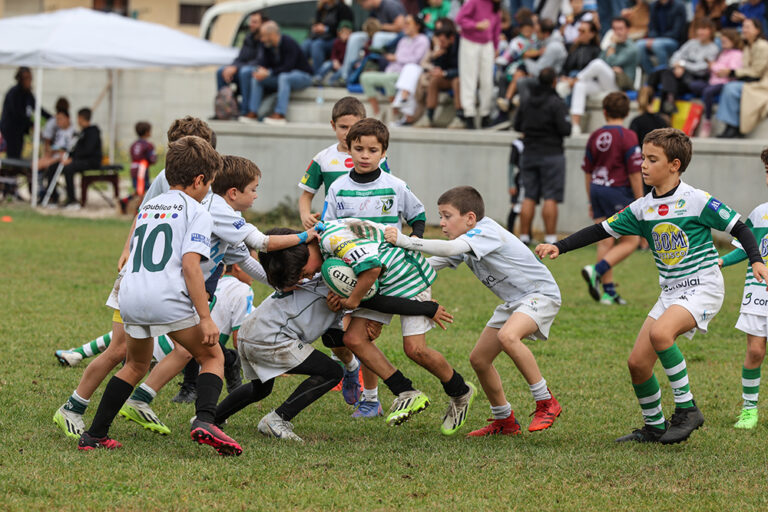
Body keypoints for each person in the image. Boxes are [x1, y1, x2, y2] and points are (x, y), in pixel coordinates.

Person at [535, 127, 768, 444]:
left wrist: (756, 259)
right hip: (671, 291)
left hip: (703, 286)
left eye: (652, 159)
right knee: (637, 363)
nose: (643, 165)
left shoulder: (697, 200)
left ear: (674, 165)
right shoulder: (642, 208)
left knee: (661, 333)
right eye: (643, 158)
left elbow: (740, 228)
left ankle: (687, 410)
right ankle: (654, 425)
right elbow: (601, 230)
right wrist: (559, 246)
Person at [75, 135, 246, 454]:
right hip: (165, 298)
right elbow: (191, 266)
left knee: (135, 364)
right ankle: (205, 420)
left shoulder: (149, 205)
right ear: (200, 180)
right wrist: (206, 318)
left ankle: (95, 435)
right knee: (212, 356)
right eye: (210, 183)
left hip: (130, 295)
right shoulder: (198, 211)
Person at [215, 231, 452, 440]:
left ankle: (210, 419)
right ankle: (277, 420)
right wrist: (426, 308)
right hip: (270, 336)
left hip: (251, 331)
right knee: (330, 372)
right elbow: (379, 302)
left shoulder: (325, 277)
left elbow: (331, 337)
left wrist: (360, 336)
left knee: (261, 389)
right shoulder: (337, 280)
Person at [260, 217, 476, 434]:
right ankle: (406, 392)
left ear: (302, 253)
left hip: (407, 276)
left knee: (415, 349)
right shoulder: (324, 251)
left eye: (302, 273)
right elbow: (369, 287)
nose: (308, 277)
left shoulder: (330, 240)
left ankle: (460, 392)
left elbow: (372, 268)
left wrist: (353, 300)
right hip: (380, 283)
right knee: (353, 339)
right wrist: (343, 301)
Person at [384, 186, 563, 436]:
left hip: (540, 295)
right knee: (479, 359)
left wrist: (405, 240)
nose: (442, 223)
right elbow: (428, 266)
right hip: (514, 302)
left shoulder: (485, 231)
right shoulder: (465, 243)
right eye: (441, 216)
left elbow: (448, 250)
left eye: (447, 216)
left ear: (470, 218)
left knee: (508, 336)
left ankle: (546, 401)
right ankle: (504, 420)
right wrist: (385, 272)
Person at [322, 118, 427, 417]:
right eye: (359, 149)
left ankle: (370, 399)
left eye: (372, 150)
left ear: (384, 153)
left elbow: (418, 216)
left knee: (362, 335)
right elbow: (328, 230)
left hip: (385, 273)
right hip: (349, 270)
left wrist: (411, 242)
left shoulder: (395, 186)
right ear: (349, 150)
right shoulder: (338, 188)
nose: (365, 155)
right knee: (341, 335)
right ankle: (353, 374)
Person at [717, 148, 768, 429]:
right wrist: (722, 262)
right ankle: (749, 410)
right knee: (755, 351)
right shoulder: (760, 213)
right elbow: (746, 248)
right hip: (758, 292)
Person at [580, 92, 643, 305]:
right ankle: (596, 271)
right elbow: (635, 172)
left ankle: (608, 292)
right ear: (626, 113)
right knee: (631, 240)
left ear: (604, 112)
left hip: (596, 189)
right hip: (617, 191)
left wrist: (590, 199)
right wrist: (641, 202)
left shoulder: (595, 135)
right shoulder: (628, 136)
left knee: (605, 240)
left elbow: (587, 170)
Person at [298, 96, 390, 231]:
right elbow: (306, 195)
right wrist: (305, 215)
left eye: (354, 127)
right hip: (335, 228)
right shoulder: (322, 158)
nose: (348, 133)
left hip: (371, 227)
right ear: (333, 125)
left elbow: (389, 189)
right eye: (343, 127)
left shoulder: (377, 158)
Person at [513, 67, 571, 247]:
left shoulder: (527, 101)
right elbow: (566, 129)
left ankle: (524, 237)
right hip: (552, 154)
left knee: (529, 196)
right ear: (554, 81)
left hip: (529, 152)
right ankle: (550, 238)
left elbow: (517, 125)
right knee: (550, 197)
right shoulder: (556, 102)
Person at [568, 17, 639, 136]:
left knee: (598, 64)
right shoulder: (611, 45)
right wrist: (610, 59)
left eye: (620, 29)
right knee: (580, 85)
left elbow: (609, 62)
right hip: (606, 83)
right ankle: (575, 125)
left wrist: (611, 48)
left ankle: (572, 81)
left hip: (621, 87)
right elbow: (601, 58)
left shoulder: (632, 48)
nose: (617, 32)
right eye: (615, 29)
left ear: (628, 30)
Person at [643, 18, 719, 117]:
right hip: (678, 77)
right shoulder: (691, 43)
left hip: (693, 80)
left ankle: (651, 102)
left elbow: (702, 68)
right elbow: (676, 56)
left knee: (665, 74)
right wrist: (678, 66)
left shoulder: (713, 48)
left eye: (704, 29)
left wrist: (683, 65)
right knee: (664, 73)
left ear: (711, 31)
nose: (701, 32)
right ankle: (665, 103)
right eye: (699, 29)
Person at [359, 14, 429, 119]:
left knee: (388, 80)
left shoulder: (423, 40)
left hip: (407, 74)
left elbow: (416, 60)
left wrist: (396, 58)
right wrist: (390, 67)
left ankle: (395, 115)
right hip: (392, 72)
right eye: (405, 23)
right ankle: (377, 113)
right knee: (365, 77)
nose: (405, 26)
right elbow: (394, 61)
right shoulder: (402, 40)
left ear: (417, 26)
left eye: (408, 23)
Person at [242, 21, 313, 125]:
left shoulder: (288, 42)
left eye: (263, 36)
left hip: (303, 76)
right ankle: (253, 112)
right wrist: (260, 71)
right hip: (280, 76)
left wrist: (268, 72)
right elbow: (263, 63)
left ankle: (280, 114)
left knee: (284, 77)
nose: (261, 39)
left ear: (271, 35)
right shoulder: (266, 46)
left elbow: (288, 67)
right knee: (257, 78)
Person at [716, 18, 768, 138]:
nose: (744, 30)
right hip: (751, 81)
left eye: (748, 27)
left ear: (757, 30)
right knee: (728, 87)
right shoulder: (747, 46)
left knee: (730, 88)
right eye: (743, 27)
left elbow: (757, 72)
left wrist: (732, 72)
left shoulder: (763, 46)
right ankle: (730, 126)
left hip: (762, 84)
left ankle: (733, 127)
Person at [688, 27, 743, 138]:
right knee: (694, 85)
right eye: (722, 41)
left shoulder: (737, 54)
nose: (723, 42)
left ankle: (707, 121)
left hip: (725, 83)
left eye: (725, 40)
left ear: (733, 40)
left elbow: (730, 71)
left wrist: (713, 66)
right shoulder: (722, 53)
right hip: (713, 81)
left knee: (708, 92)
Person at [455, 0, 502, 128]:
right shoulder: (474, 2)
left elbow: (497, 28)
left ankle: (485, 113)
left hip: (487, 44)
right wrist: (476, 25)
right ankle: (469, 113)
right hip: (470, 42)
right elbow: (459, 19)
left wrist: (496, 46)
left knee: (487, 80)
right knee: (469, 78)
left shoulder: (496, 6)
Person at [340, 0, 407, 84]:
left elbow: (401, 26)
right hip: (378, 35)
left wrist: (380, 27)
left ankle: (372, 73)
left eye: (362, 4)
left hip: (398, 37)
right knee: (355, 37)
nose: (362, 7)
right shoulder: (374, 10)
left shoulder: (390, 5)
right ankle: (346, 76)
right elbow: (372, 27)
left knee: (378, 36)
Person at [413, 18, 463, 128]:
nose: (441, 44)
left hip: (460, 78)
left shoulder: (461, 44)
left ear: (451, 38)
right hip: (447, 77)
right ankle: (429, 116)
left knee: (457, 81)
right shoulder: (443, 47)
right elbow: (438, 67)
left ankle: (460, 117)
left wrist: (444, 73)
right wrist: (437, 54)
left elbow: (463, 70)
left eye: (442, 41)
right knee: (434, 80)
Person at [216, 12, 266, 118]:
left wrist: (237, 68)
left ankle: (244, 111)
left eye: (255, 22)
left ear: (262, 24)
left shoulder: (265, 38)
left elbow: (260, 61)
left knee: (245, 72)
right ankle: (224, 110)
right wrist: (232, 67)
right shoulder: (248, 38)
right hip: (243, 68)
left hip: (256, 71)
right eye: (250, 22)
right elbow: (240, 58)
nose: (251, 24)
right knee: (221, 71)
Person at [0, 67, 39, 198]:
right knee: (12, 160)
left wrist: (52, 117)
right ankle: (9, 189)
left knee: (16, 159)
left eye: (30, 78)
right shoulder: (14, 93)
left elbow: (37, 108)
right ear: (20, 78)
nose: (29, 81)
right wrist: (31, 124)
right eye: (26, 78)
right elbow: (17, 114)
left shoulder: (27, 94)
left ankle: (12, 188)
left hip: (19, 133)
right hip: (10, 132)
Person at [54, 108, 102, 209]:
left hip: (91, 161)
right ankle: (53, 196)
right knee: (56, 165)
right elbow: (76, 149)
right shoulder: (82, 132)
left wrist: (72, 159)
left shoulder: (93, 132)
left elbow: (88, 150)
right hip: (82, 160)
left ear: (80, 118)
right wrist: (67, 155)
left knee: (69, 168)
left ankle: (72, 199)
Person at [302, 0, 354, 78]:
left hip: (335, 39)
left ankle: (317, 76)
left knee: (317, 45)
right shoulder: (321, 8)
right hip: (319, 37)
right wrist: (315, 28)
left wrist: (326, 29)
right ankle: (302, 73)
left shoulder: (344, 9)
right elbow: (316, 23)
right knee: (306, 44)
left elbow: (345, 30)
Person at [634, 0, 687, 74]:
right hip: (656, 39)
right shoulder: (653, 6)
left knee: (657, 45)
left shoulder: (679, 6)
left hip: (674, 40)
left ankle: (664, 73)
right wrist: (652, 37)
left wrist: (656, 39)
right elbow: (652, 27)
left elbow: (677, 31)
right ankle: (652, 74)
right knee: (638, 45)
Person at [125, 121, 157, 208]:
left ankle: (124, 201)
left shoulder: (133, 145)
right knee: (142, 190)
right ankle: (139, 209)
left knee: (139, 188)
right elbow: (152, 159)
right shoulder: (148, 145)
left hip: (133, 168)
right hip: (142, 169)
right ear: (147, 132)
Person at [314, 20, 354, 85]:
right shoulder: (337, 42)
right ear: (339, 33)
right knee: (327, 64)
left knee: (343, 70)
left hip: (345, 65)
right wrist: (335, 60)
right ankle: (318, 77)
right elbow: (333, 54)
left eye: (347, 33)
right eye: (342, 32)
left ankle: (331, 81)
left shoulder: (351, 44)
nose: (344, 35)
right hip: (337, 62)